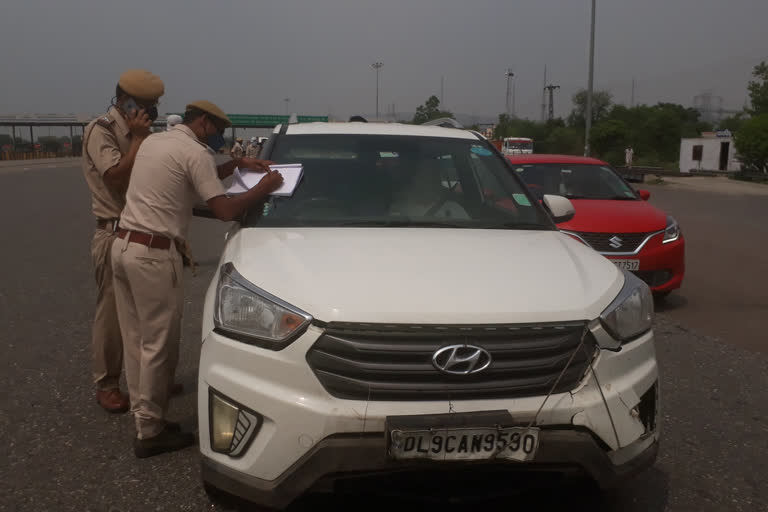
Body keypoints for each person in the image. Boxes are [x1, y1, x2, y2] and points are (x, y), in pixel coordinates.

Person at [111, 100, 283, 457]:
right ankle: (149, 432)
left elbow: (192, 177)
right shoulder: (196, 153)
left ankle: (145, 417)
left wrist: (236, 164)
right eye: (218, 129)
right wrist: (265, 187)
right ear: (203, 123)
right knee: (158, 344)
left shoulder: (157, 142)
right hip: (153, 256)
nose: (220, 136)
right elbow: (223, 211)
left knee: (135, 340)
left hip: (123, 246)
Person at [81, 69, 164, 413]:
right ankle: (108, 383)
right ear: (125, 101)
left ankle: (147, 380)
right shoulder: (101, 129)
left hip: (142, 230)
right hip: (114, 231)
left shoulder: (139, 131)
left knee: (146, 314)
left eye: (155, 105)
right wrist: (141, 139)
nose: (152, 111)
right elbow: (115, 177)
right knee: (113, 315)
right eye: (147, 104)